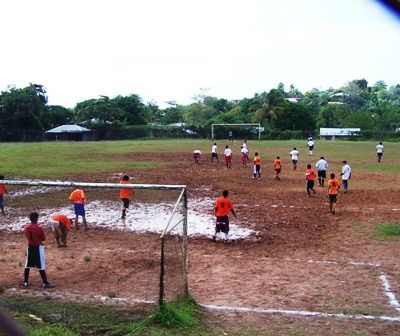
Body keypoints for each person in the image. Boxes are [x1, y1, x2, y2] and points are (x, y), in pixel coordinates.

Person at [23, 212, 55, 289]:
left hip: (30, 247)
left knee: (27, 264)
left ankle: (25, 282)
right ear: (36, 219)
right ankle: (45, 283)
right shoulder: (38, 228)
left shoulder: (27, 227)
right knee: (41, 265)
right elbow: (43, 238)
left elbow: (27, 236)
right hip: (38, 247)